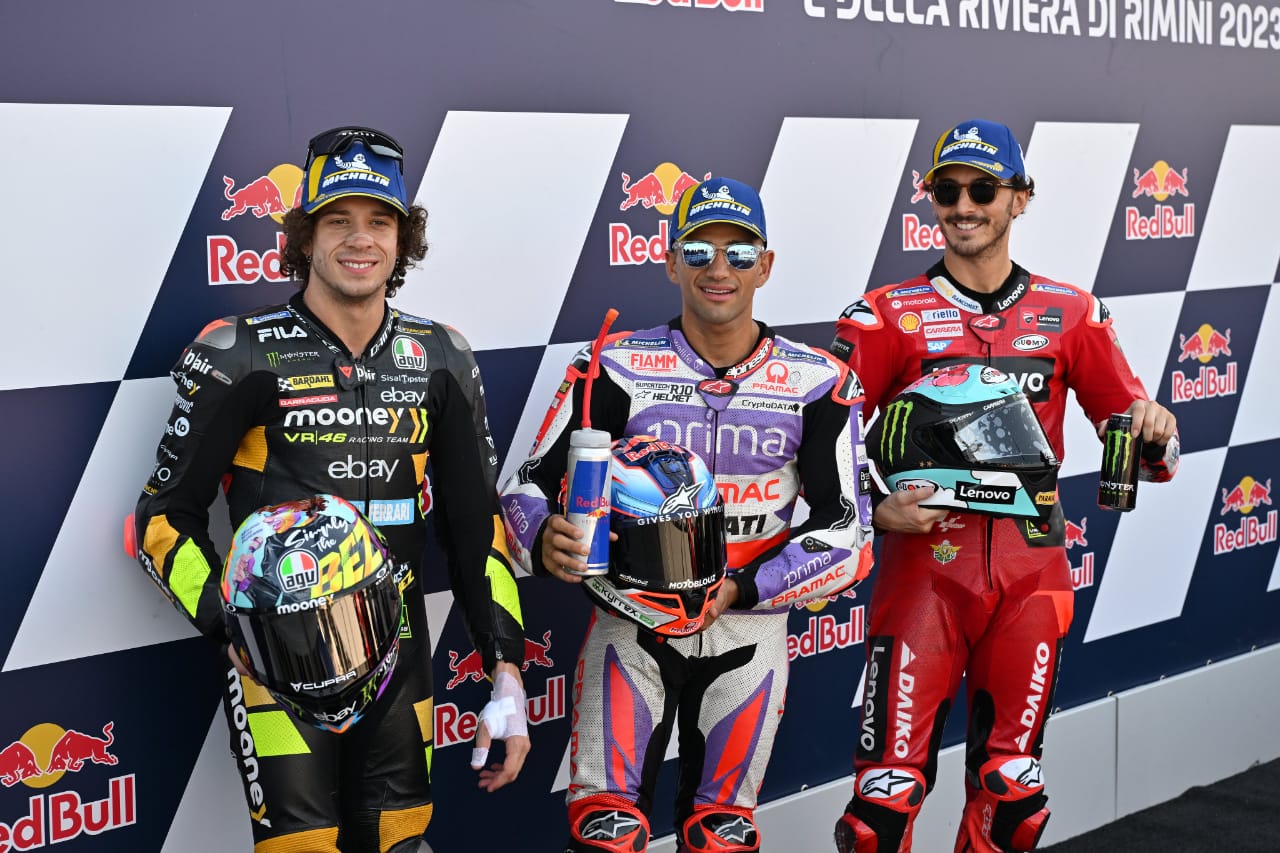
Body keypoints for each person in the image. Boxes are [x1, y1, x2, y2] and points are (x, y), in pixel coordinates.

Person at [132, 126, 529, 853]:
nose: (360, 239)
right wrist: (228, 623)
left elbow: (477, 529)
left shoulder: (442, 355)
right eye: (338, 219)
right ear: (305, 237)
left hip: (399, 652)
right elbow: (162, 521)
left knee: (402, 842)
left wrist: (506, 665)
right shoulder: (238, 352)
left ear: (403, 240)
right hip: (277, 663)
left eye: (380, 221)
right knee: (302, 849)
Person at [828, 119, 1180, 853]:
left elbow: (1144, 441)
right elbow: (823, 444)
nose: (964, 205)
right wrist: (872, 508)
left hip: (1032, 575)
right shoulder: (883, 315)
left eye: (983, 189)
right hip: (923, 578)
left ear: (1020, 198)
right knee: (880, 811)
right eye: (948, 189)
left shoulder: (1073, 311)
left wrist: (1155, 431)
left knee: (1013, 802)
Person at [499, 177, 876, 853]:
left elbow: (848, 535)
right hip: (630, 625)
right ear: (671, 262)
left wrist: (744, 588)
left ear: (766, 265)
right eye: (698, 250)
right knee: (606, 831)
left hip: (749, 629)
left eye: (739, 252)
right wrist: (544, 538)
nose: (718, 268)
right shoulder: (614, 365)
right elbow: (526, 488)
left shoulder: (820, 380)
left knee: (722, 835)